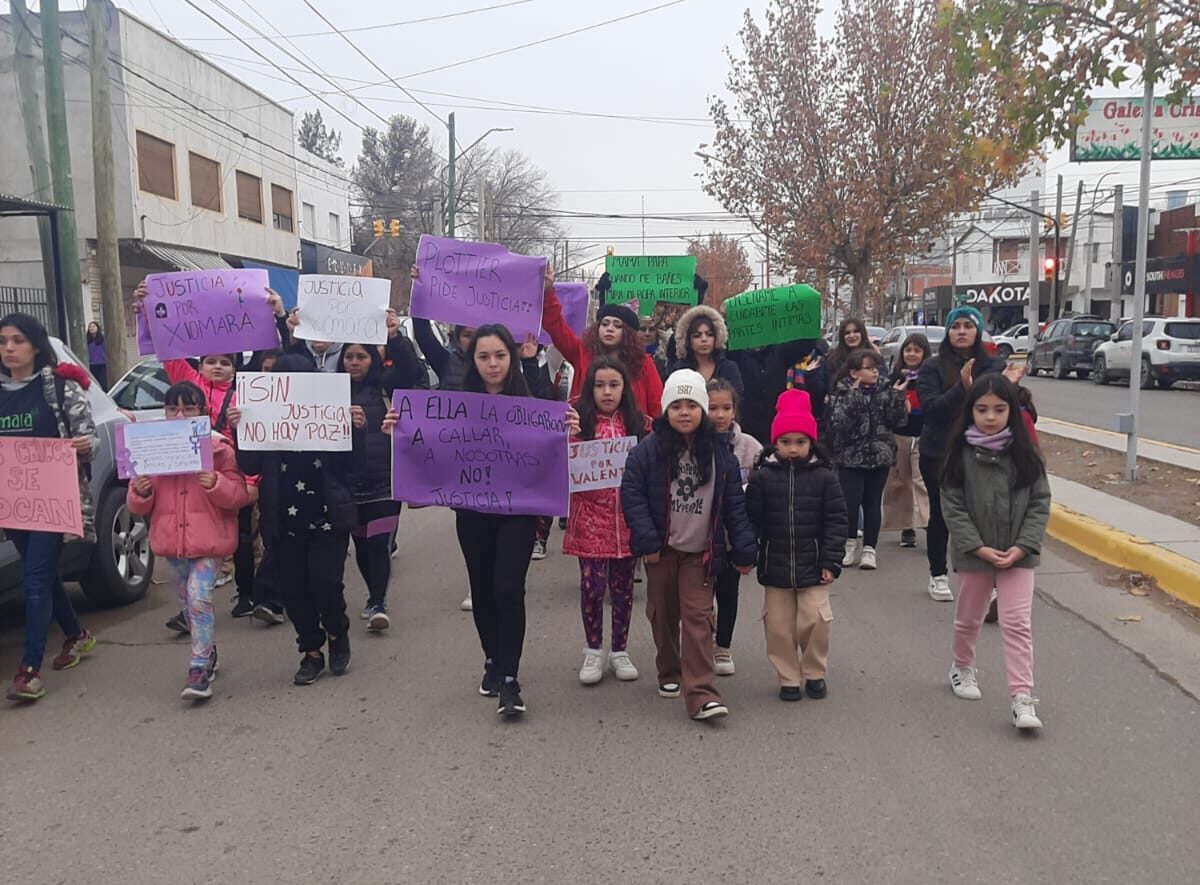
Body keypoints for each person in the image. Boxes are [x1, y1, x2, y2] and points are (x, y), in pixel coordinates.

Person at [385, 322, 580, 718]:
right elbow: (425, 430)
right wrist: (399, 427)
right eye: (484, 356)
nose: (493, 364)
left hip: (518, 512)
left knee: (509, 589)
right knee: (484, 589)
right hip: (473, 511)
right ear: (473, 361)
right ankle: (492, 659)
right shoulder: (456, 400)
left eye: (500, 355)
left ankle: (510, 677)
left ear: (511, 357)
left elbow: (555, 435)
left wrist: (570, 430)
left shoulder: (532, 398)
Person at [620, 369, 757, 721]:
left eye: (692, 405)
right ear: (666, 409)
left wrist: (743, 549)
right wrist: (647, 541)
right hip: (662, 550)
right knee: (663, 614)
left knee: (698, 618)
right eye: (677, 405)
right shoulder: (648, 452)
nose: (684, 412)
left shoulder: (720, 455)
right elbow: (632, 496)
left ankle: (701, 694)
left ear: (703, 411)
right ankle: (669, 670)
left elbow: (733, 507)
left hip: (701, 553)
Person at [234, 354, 357, 685]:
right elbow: (249, 465)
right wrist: (240, 428)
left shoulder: (326, 415)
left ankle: (337, 631)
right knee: (294, 592)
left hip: (327, 518)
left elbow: (350, 465)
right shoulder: (268, 420)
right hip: (283, 521)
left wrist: (351, 427)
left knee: (324, 583)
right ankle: (311, 651)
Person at [127, 382, 252, 700]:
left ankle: (198, 668)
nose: (180, 414)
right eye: (172, 408)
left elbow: (238, 496)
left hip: (209, 541)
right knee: (190, 602)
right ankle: (208, 652)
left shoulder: (221, 449)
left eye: (189, 408)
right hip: (173, 544)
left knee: (198, 598)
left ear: (204, 413)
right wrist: (140, 491)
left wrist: (216, 483)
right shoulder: (153, 447)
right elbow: (139, 505)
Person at [940, 374, 1050, 730]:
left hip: (1020, 555)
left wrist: (1022, 547)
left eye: (999, 409)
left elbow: (1039, 503)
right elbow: (952, 507)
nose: (990, 417)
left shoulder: (1026, 455)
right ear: (970, 411)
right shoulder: (959, 456)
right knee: (969, 618)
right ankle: (961, 667)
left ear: (1011, 412)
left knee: (1017, 624)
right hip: (976, 554)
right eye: (982, 409)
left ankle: (1022, 697)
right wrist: (978, 547)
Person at [0, 313, 98, 702]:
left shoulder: (59, 387)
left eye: (17, 340)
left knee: (35, 577)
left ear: (36, 346)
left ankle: (29, 670)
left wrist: (86, 446)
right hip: (13, 502)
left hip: (54, 501)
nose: (9, 348)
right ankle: (76, 635)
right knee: (41, 574)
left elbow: (89, 436)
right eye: (4, 341)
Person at [745, 389, 847, 701]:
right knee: (777, 626)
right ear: (775, 442)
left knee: (815, 619)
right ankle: (788, 676)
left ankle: (814, 671)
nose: (793, 449)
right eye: (786, 442)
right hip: (774, 564)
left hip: (815, 563)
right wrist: (749, 552)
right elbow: (752, 519)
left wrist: (831, 560)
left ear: (811, 443)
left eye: (800, 442)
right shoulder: (763, 478)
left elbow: (837, 519)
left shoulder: (825, 477)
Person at [916, 306, 1012, 601]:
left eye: (967, 326)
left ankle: (988, 583)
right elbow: (932, 409)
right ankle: (938, 574)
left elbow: (1002, 410)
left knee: (984, 515)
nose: (961, 331)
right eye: (955, 325)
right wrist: (963, 387)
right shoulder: (931, 367)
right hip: (939, 453)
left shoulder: (994, 366)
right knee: (942, 515)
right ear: (947, 331)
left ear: (978, 331)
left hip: (984, 453)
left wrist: (1015, 389)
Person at [564, 356, 648, 684]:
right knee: (592, 587)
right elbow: (562, 466)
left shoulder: (638, 423)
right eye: (600, 385)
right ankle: (593, 651)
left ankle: (619, 651)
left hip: (626, 521)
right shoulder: (578, 423)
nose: (607, 392)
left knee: (623, 589)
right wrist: (571, 438)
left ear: (625, 388)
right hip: (589, 523)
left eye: (614, 385)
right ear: (590, 389)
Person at [336, 342, 401, 632]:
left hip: (385, 482)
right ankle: (372, 593)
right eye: (349, 356)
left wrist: (395, 337)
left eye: (361, 356)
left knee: (378, 544)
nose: (354, 362)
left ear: (372, 359)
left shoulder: (387, 389)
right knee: (361, 545)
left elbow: (411, 366)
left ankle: (378, 601)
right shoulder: (329, 395)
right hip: (349, 484)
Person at [541, 268, 665, 417]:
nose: (609, 329)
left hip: (633, 437)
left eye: (617, 325)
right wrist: (548, 292)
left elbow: (657, 406)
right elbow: (556, 326)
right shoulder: (581, 352)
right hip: (587, 434)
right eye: (605, 324)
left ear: (628, 334)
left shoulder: (643, 363)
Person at [827, 349, 909, 570]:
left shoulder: (885, 390)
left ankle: (870, 549)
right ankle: (849, 542)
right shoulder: (841, 391)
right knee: (850, 503)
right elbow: (838, 424)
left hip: (879, 455)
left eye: (876, 367)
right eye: (868, 368)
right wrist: (854, 398)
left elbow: (899, 422)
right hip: (850, 457)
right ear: (854, 372)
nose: (874, 372)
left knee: (872, 503)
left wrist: (898, 397)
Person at [705, 378, 761, 676]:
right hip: (701, 538)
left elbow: (762, 489)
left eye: (726, 407)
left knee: (728, 594)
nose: (719, 415)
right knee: (701, 596)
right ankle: (702, 640)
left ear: (735, 411)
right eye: (712, 408)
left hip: (733, 538)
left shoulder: (750, 447)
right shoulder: (694, 444)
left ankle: (723, 647)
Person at [882, 333, 932, 549]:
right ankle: (907, 527)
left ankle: (931, 525)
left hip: (923, 436)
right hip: (900, 435)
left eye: (917, 350)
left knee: (923, 481)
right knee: (901, 482)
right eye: (908, 350)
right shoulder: (895, 378)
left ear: (924, 353)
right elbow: (886, 410)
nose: (912, 354)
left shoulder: (930, 376)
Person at [668, 305, 744, 395]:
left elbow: (736, 401)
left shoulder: (729, 368)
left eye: (709, 334)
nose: (704, 339)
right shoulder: (680, 370)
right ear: (688, 340)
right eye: (697, 335)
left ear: (717, 337)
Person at [824, 317, 876, 385]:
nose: (851, 335)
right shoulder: (833, 360)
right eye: (847, 333)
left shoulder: (874, 357)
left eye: (856, 331)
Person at [86, 321, 107, 389]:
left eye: (93, 326)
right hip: (91, 364)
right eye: (90, 327)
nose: (91, 328)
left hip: (101, 364)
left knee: (103, 383)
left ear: (97, 328)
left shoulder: (102, 338)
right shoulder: (87, 340)